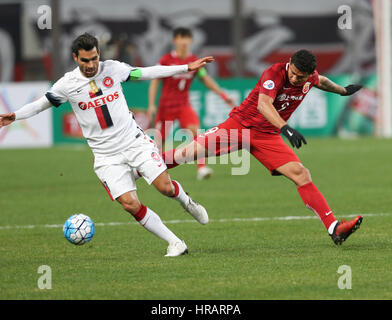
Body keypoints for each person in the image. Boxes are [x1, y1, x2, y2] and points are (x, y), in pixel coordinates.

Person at [0, 33, 213, 257]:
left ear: (98, 54)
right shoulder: (67, 84)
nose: (91, 65)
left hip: (133, 141)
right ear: (75, 58)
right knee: (130, 204)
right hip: (105, 155)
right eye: (85, 60)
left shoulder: (112, 68)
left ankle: (187, 202)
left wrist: (185, 68)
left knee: (164, 187)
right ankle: (175, 242)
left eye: (94, 58)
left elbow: (145, 72)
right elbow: (40, 104)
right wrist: (15, 116)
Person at [159, 49, 364, 245]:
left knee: (300, 173)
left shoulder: (310, 78)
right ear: (289, 64)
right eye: (293, 73)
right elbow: (263, 104)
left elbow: (322, 81)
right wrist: (285, 127)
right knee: (187, 153)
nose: (295, 79)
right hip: (240, 126)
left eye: (301, 77)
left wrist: (343, 91)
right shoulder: (274, 73)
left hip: (267, 136)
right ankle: (144, 166)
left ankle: (334, 228)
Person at [147, 27, 235, 180]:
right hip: (166, 107)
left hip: (183, 105)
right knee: (159, 141)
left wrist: (223, 95)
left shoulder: (194, 61)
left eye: (187, 38)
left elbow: (205, 79)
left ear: (191, 41)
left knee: (196, 131)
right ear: (175, 40)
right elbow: (155, 81)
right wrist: (151, 104)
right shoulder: (166, 60)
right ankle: (153, 170)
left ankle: (202, 168)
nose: (184, 41)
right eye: (181, 38)